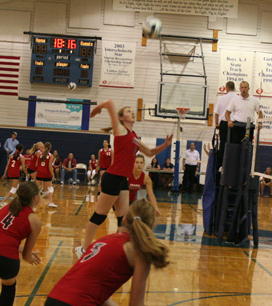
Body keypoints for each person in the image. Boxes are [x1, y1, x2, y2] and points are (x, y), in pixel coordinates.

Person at [75, 100, 172, 259]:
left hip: (122, 180)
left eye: (132, 111)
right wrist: (98, 108)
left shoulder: (133, 136)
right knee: (100, 216)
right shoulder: (120, 129)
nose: (132, 112)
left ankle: (119, 249)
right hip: (112, 178)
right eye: (128, 111)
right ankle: (83, 249)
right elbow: (110, 103)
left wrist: (165, 145)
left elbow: (149, 152)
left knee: (123, 218)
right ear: (121, 117)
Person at [46, 199, 169, 306]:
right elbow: (136, 304)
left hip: (53, 299)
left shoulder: (103, 241)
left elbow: (96, 293)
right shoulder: (139, 252)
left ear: (125, 220)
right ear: (151, 227)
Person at [214, 81, 236, 162]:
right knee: (233, 145)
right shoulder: (237, 98)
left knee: (223, 145)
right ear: (234, 88)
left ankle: (221, 165)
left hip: (223, 124)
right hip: (234, 124)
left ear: (226, 88)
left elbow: (216, 113)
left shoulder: (221, 98)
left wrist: (216, 124)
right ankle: (232, 163)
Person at [36, 142, 56, 208]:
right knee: (50, 188)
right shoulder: (51, 156)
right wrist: (53, 174)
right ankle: (50, 203)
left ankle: (34, 202)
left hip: (39, 172)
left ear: (44, 147)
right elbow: (50, 166)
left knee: (37, 188)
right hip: (46, 173)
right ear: (50, 148)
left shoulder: (39, 154)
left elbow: (36, 164)